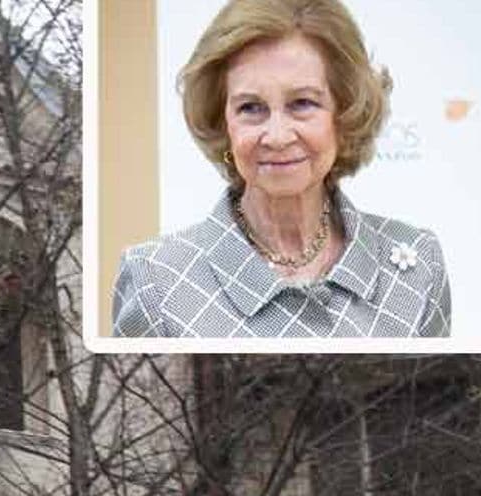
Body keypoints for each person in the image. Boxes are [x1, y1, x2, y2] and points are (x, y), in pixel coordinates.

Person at [112, 0, 449, 338]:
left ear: (343, 113)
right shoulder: (154, 281)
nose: (276, 136)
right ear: (222, 122)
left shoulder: (418, 266)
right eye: (251, 107)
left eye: (302, 103)